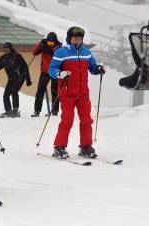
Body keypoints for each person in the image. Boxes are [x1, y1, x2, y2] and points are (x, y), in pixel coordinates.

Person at [48, 26, 106, 159]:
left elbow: (92, 67)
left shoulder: (86, 52)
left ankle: (85, 146)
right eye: (75, 38)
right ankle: (59, 147)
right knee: (67, 120)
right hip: (67, 92)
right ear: (69, 38)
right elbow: (52, 69)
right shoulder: (61, 52)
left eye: (80, 38)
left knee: (86, 120)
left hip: (83, 93)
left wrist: (98, 69)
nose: (77, 41)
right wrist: (60, 73)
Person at [0, 42, 32, 117]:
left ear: (11, 49)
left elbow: (25, 67)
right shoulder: (3, 58)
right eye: (5, 50)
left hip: (20, 77)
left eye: (8, 50)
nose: (6, 52)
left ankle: (15, 110)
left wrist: (28, 80)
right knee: (6, 94)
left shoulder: (17, 56)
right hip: (11, 78)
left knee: (14, 91)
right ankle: (8, 110)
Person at [31, 32, 62, 117]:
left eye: (52, 42)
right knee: (40, 91)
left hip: (55, 72)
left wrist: (49, 47)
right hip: (45, 72)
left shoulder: (59, 47)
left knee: (55, 92)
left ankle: (54, 111)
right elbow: (34, 52)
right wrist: (40, 44)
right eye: (49, 42)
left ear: (55, 41)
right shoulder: (43, 45)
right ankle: (36, 111)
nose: (50, 44)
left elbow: (56, 54)